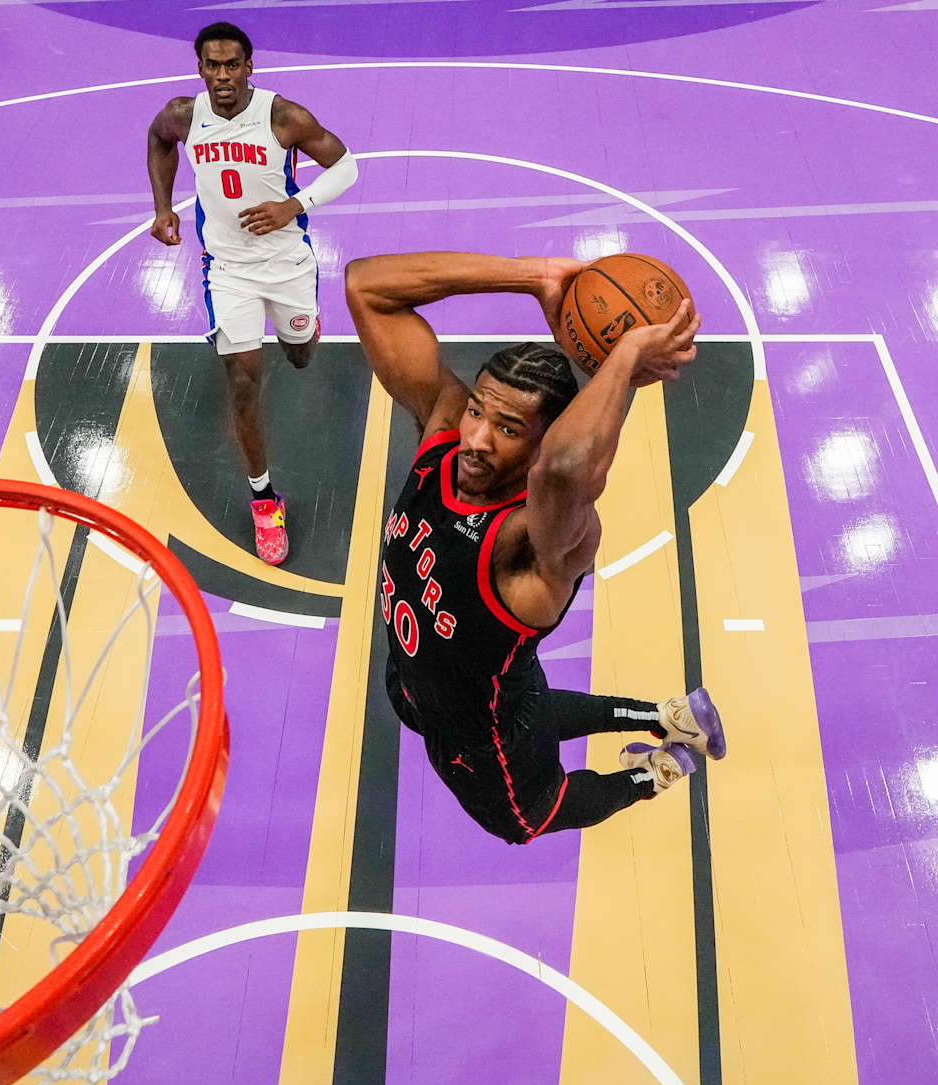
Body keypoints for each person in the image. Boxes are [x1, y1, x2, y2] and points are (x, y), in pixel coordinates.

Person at [344, 251, 726, 844]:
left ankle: (655, 774)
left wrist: (622, 359)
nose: (475, 438)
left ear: (541, 444)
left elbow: (567, 468)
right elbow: (366, 286)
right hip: (431, 685)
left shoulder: (534, 540)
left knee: (535, 816)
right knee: (533, 702)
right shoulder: (444, 433)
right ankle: (673, 718)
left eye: (509, 429)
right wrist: (535, 278)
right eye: (478, 410)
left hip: (487, 741)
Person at [146, 22, 357, 566]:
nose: (222, 75)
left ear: (249, 67)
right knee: (242, 380)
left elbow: (346, 166)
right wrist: (162, 206)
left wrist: (295, 205)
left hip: (286, 263)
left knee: (301, 357)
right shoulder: (183, 115)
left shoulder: (283, 116)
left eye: (232, 64)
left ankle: (304, 331)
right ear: (200, 69)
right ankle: (265, 499)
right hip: (227, 269)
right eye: (212, 65)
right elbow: (158, 140)